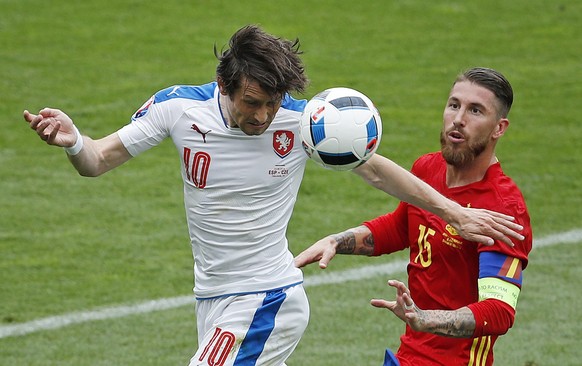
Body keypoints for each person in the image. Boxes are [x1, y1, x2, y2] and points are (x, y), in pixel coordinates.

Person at [23, 23, 523, 365]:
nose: (262, 116)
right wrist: (73, 142)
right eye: (252, 103)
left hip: (267, 297)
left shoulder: (305, 122)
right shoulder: (177, 109)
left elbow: (376, 172)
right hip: (212, 298)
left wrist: (455, 212)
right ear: (224, 85)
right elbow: (98, 160)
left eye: (273, 103)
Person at [295, 67, 532, 366]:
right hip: (408, 356)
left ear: (499, 128)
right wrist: (337, 241)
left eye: (475, 111)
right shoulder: (428, 169)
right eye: (454, 105)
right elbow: (400, 228)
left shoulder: (503, 207)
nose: (458, 119)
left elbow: (499, 312)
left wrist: (426, 320)